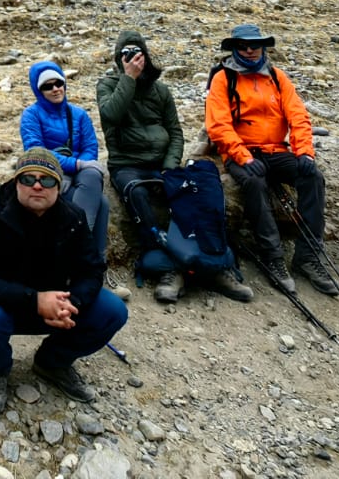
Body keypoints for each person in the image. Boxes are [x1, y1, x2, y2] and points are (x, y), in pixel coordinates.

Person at [0, 148, 128, 413]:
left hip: (56, 308)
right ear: (17, 182)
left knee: (112, 310)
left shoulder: (74, 217)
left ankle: (52, 363)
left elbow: (92, 270)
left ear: (58, 186)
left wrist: (72, 302)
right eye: (28, 179)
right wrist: (35, 300)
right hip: (6, 305)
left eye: (47, 180)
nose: (37, 186)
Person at [97, 31, 253, 304]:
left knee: (196, 191)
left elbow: (176, 132)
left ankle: (215, 261)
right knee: (137, 194)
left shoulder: (161, 90)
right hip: (127, 164)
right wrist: (128, 79)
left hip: (162, 162)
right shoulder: (108, 85)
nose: (133, 59)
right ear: (118, 59)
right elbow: (111, 115)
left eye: (137, 54)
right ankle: (171, 267)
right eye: (126, 54)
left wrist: (170, 166)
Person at [204, 23, 337, 296]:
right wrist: (241, 155)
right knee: (254, 182)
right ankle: (273, 257)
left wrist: (304, 152)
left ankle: (308, 257)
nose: (250, 50)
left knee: (312, 177)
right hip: (242, 151)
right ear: (235, 48)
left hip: (277, 149)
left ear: (264, 47)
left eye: (256, 45)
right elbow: (218, 125)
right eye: (244, 45)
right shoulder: (222, 78)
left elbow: (298, 116)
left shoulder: (277, 77)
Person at [19, 61, 110, 260]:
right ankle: (96, 263)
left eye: (58, 83)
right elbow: (36, 152)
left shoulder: (79, 114)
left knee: (93, 172)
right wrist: (66, 169)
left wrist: (75, 168)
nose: (55, 89)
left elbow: (90, 148)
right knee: (101, 203)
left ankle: (78, 245)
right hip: (48, 173)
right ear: (38, 89)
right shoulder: (31, 115)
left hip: (79, 172)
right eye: (47, 86)